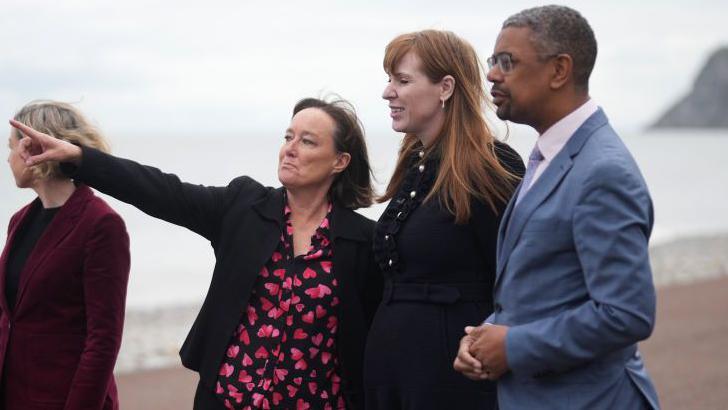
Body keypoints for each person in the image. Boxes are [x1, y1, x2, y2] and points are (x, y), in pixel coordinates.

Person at [10, 97, 383, 409]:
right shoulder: (243, 208)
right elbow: (160, 190)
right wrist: (79, 158)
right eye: (288, 136)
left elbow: (379, 338)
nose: (290, 148)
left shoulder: (362, 242)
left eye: (308, 141)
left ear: (340, 161)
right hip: (226, 400)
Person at [453, 5, 661, 410]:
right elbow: (544, 289)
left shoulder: (602, 171)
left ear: (559, 71)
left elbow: (627, 313)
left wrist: (513, 346)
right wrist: (486, 335)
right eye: (493, 61)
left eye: (507, 62)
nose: (492, 74)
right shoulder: (550, 154)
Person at [364, 30, 524, 409]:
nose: (388, 93)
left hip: (451, 379)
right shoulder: (414, 167)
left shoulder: (491, 167)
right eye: (390, 80)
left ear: (445, 87)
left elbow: (518, 280)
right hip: (392, 373)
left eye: (402, 80)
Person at [0, 101, 130, 410]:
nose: (7, 159)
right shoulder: (20, 220)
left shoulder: (101, 224)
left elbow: (103, 340)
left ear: (32, 148)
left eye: (11, 146)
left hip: (63, 399)